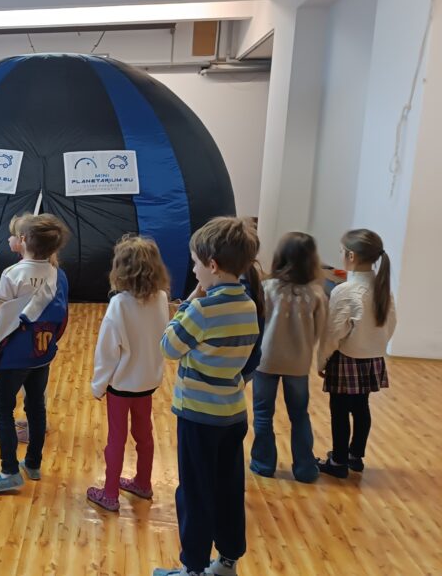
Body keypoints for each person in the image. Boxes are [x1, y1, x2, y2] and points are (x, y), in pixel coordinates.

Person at [154, 217, 261, 576]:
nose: (194, 271)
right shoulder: (248, 305)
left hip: (198, 417)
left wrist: (188, 303)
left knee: (194, 492)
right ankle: (227, 561)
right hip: (232, 414)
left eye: (196, 264)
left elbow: (168, 346)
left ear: (212, 265)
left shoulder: (202, 310)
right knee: (229, 489)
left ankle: (193, 568)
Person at [0, 214, 70, 494]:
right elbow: (62, 319)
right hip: (42, 353)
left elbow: (5, 318)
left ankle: (9, 471)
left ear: (24, 240)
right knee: (36, 406)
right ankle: (32, 463)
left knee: (3, 409)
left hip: (14, 355)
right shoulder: (59, 274)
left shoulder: (11, 274)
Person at [86, 235, 170, 511]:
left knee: (116, 438)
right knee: (144, 434)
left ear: (120, 269)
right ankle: (143, 483)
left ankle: (110, 493)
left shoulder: (120, 304)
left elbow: (107, 351)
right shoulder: (161, 298)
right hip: (148, 382)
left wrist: (98, 385)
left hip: (121, 387)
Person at [315, 229, 396, 478]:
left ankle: (338, 462)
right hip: (372, 358)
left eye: (341, 251)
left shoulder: (345, 291)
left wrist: (321, 361)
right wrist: (375, 346)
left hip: (346, 358)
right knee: (361, 408)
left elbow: (333, 333)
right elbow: (391, 325)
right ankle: (355, 456)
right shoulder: (383, 288)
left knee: (339, 411)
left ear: (351, 256)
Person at [250, 232, 326, 483]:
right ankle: (305, 468)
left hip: (266, 361)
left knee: (263, 414)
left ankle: (263, 464)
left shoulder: (267, 288)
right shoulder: (316, 294)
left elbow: (256, 324)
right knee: (299, 415)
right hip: (298, 364)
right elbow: (319, 331)